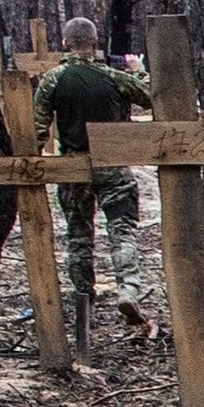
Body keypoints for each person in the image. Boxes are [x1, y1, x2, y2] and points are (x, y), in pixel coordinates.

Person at [37, 47, 150, 305]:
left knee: (78, 236)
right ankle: (129, 289)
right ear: (94, 44)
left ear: (66, 42)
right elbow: (152, 97)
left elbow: (38, 127)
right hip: (113, 164)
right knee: (123, 231)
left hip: (73, 166)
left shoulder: (54, 78)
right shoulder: (113, 76)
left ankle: (84, 297)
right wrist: (139, 72)